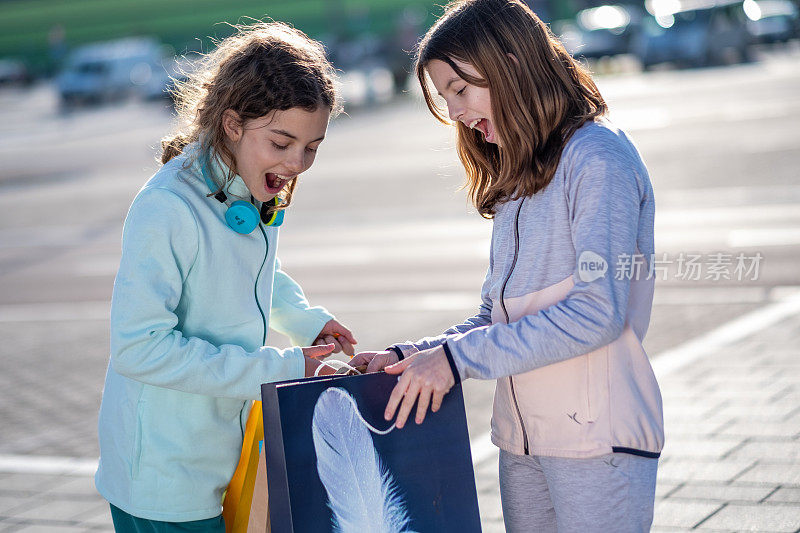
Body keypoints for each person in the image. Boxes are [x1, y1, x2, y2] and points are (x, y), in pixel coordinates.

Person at [350, 1, 663, 531]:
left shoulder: (597, 157)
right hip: (522, 440)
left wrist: (454, 362)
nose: (455, 113)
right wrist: (414, 356)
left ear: (511, 64)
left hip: (597, 442)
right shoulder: (519, 175)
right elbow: (496, 319)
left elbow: (596, 312)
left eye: (460, 90)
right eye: (446, 97)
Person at [95, 22, 357, 531]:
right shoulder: (168, 208)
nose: (297, 162)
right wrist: (281, 367)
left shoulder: (247, 191)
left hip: (221, 458)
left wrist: (307, 323)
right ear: (233, 124)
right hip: (164, 475)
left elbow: (259, 272)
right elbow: (137, 347)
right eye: (282, 142)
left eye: (311, 147)